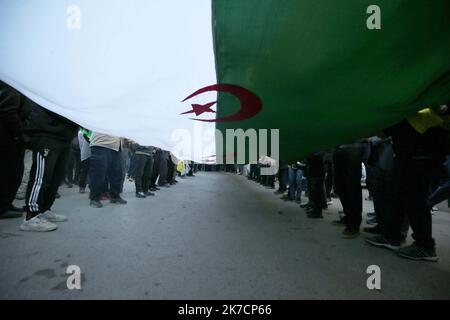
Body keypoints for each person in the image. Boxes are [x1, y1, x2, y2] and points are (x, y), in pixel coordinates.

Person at [366, 104, 450, 261]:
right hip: (409, 150)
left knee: (415, 198)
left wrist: (442, 108)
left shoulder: (435, 94)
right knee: (398, 195)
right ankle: (392, 236)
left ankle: (425, 245)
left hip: (422, 152)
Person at [20, 101, 78, 231]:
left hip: (64, 136)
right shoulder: (52, 87)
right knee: (41, 176)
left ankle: (44, 209)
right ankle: (31, 215)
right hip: (47, 133)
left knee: (56, 177)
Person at [0, 81, 28, 219]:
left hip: (12, 138)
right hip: (9, 138)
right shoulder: (13, 87)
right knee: (9, 173)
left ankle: (6, 204)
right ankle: (2, 207)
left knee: (15, 172)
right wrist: (20, 135)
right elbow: (8, 111)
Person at [89, 132, 127, 208]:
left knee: (117, 173)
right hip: (101, 143)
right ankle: (94, 198)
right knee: (99, 173)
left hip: (116, 147)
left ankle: (115, 196)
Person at [78, 128, 91, 193]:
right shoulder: (81, 132)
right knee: (84, 171)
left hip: (90, 153)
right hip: (86, 154)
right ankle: (82, 186)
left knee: (92, 171)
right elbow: (81, 144)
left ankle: (91, 186)